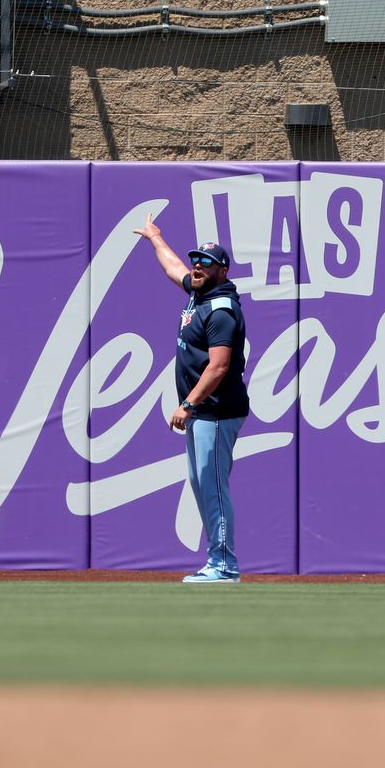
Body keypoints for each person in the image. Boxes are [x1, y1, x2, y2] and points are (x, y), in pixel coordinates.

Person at [134, 214, 250, 583]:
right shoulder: (200, 293)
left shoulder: (221, 310)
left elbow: (218, 367)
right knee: (203, 485)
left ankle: (224, 565)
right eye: (197, 260)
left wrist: (188, 404)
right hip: (204, 412)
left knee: (213, 486)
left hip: (215, 412)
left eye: (207, 263)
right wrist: (155, 238)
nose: (198, 267)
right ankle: (217, 561)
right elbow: (174, 268)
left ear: (223, 270)